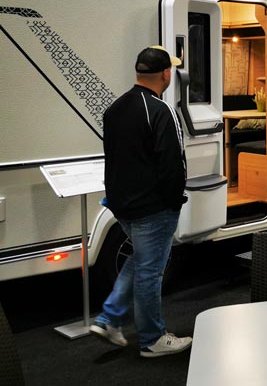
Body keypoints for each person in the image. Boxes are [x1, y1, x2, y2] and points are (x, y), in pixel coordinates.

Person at [90, 46, 193, 358]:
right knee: (150, 271)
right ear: (166, 74)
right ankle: (152, 339)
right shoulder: (160, 110)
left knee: (140, 260)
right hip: (153, 207)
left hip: (122, 205)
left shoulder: (115, 108)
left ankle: (109, 318)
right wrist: (174, 201)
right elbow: (173, 163)